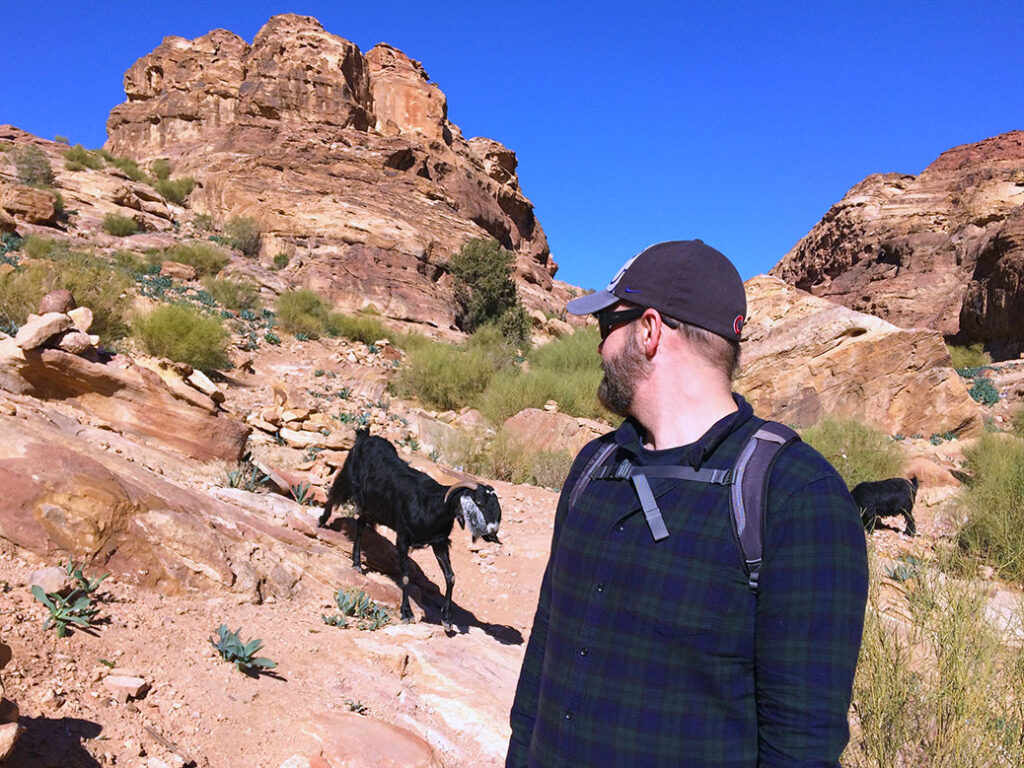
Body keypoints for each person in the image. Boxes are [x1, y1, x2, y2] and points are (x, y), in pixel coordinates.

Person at [506, 240, 869, 768]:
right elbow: (545, 655)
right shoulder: (593, 467)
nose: (600, 347)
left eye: (609, 326)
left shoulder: (795, 496)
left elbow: (801, 746)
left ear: (650, 331)